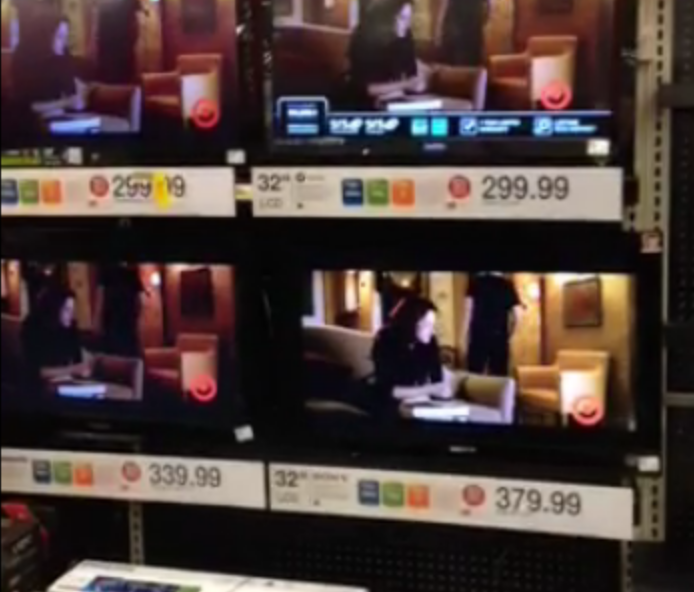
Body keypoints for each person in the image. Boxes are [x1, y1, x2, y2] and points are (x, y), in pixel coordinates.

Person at [372, 296, 452, 416]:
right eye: (428, 325)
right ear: (412, 323)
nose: (432, 331)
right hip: (386, 402)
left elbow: (437, 379)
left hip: (416, 402)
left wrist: (444, 390)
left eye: (433, 325)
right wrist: (432, 389)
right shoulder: (386, 340)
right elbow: (388, 390)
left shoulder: (430, 342)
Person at [346, 0, 428, 108]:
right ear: (386, 19)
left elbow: (412, 76)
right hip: (359, 102)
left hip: (393, 100)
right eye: (402, 18)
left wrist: (419, 82)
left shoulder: (405, 35)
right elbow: (365, 88)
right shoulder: (365, 38)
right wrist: (406, 84)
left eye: (409, 19)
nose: (407, 24)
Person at [15, 17, 86, 119]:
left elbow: (72, 90)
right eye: (60, 37)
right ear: (46, 36)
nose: (64, 42)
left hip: (62, 118)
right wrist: (67, 102)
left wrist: (79, 92)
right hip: (27, 120)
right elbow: (28, 106)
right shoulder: (26, 57)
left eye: (66, 37)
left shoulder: (63, 56)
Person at [22, 285, 91, 384]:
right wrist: (73, 369)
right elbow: (36, 371)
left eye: (72, 310)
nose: (71, 315)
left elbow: (78, 361)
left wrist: (84, 370)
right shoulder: (34, 327)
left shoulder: (71, 328)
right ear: (54, 309)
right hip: (38, 385)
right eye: (67, 310)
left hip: (67, 382)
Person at [464, 273, 522, 376]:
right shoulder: (507, 285)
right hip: (499, 336)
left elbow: (468, 312)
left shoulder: (475, 283)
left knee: (474, 375)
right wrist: (511, 335)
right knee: (499, 376)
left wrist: (463, 337)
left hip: (478, 335)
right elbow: (518, 315)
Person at [97, 264, 147, 357]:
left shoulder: (131, 273)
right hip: (115, 325)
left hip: (123, 326)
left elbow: (140, 301)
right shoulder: (107, 270)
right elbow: (100, 299)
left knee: (123, 355)